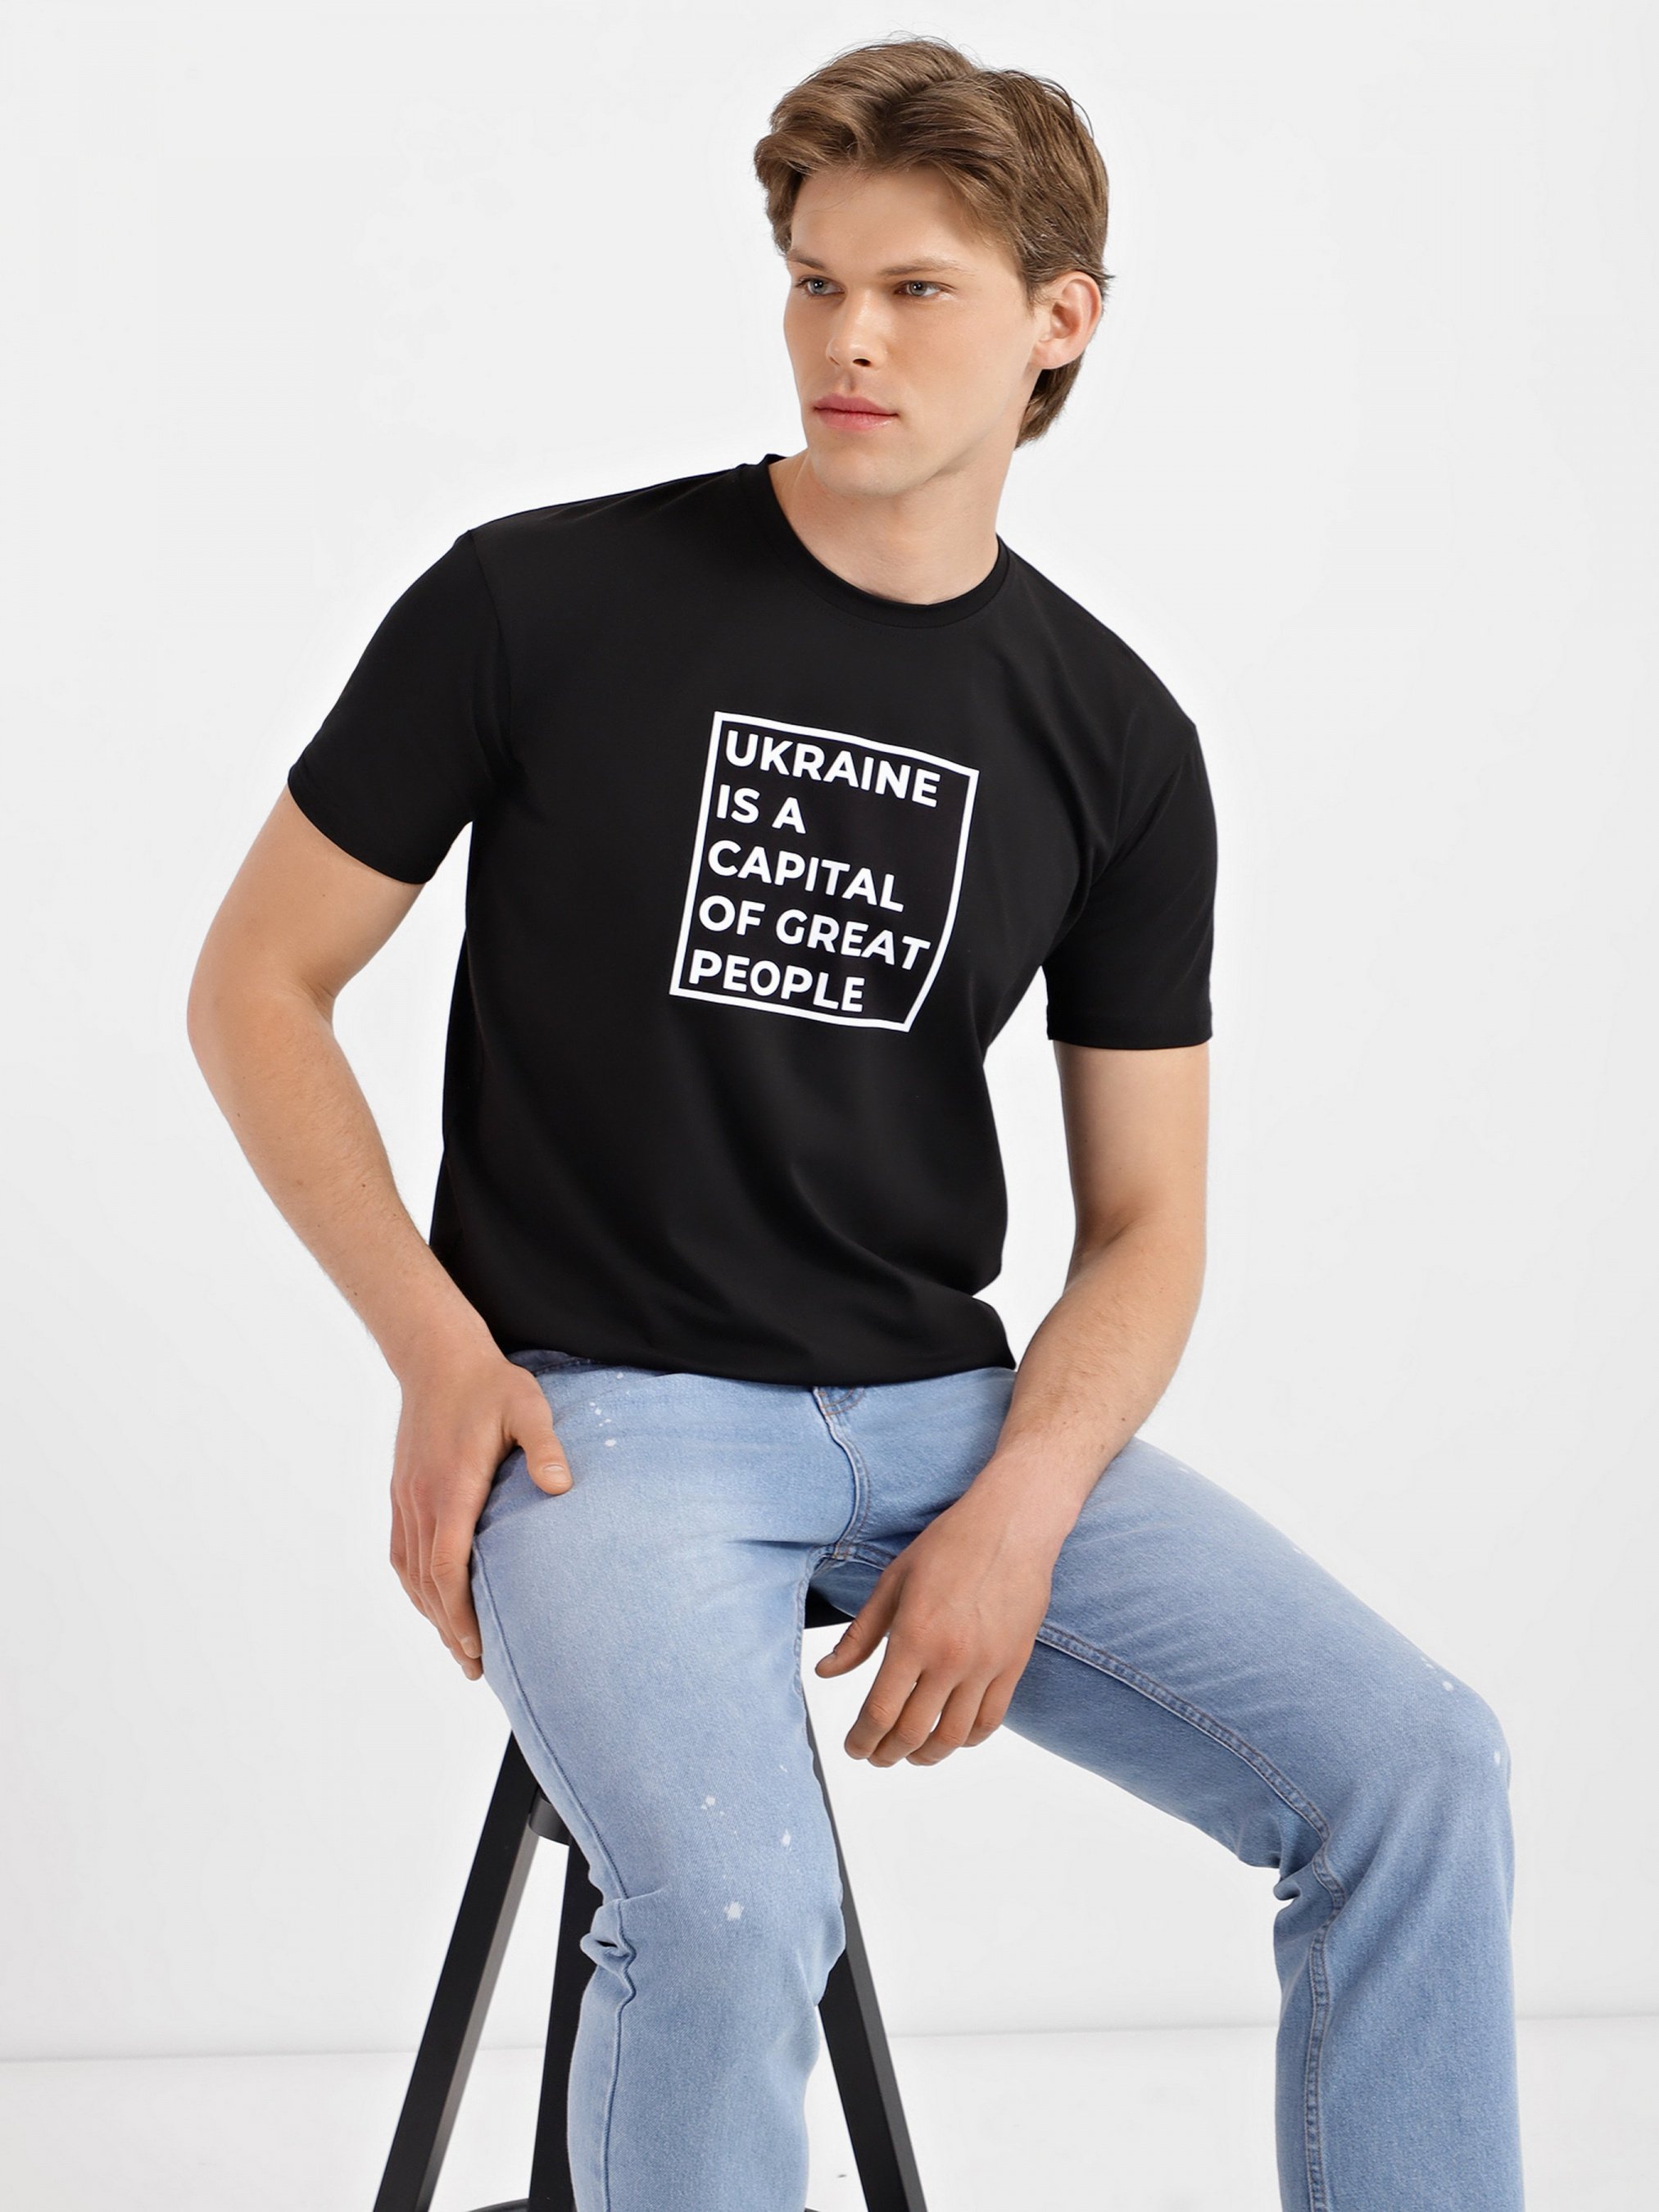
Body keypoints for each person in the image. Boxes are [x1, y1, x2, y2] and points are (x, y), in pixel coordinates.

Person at [186, 34, 1525, 2212]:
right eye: (816, 282)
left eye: (915, 291)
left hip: (943, 1419)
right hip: (601, 1424)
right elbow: (256, 986)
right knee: (729, 1914)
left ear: (1060, 320)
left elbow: (1150, 1222)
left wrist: (1018, 1505)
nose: (847, 340)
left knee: (1420, 1771)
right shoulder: (538, 601)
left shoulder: (1116, 740)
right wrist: (434, 1346)